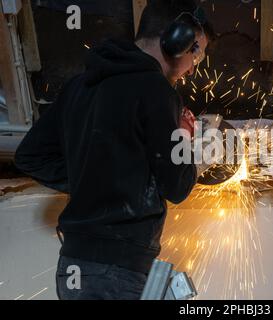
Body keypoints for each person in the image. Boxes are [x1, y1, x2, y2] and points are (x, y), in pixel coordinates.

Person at [14, 0, 216, 300]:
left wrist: (92, 177)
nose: (191, 68)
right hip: (118, 274)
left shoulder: (79, 86)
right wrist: (187, 141)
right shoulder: (157, 91)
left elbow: (30, 155)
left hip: (72, 266)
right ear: (177, 40)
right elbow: (177, 185)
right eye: (196, 53)